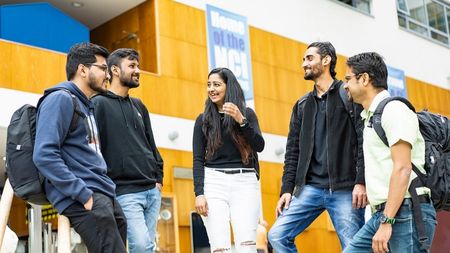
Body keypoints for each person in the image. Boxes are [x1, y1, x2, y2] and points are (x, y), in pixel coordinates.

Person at [268, 41, 366, 252]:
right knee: (276, 235)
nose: (304, 63)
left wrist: (361, 181)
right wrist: (286, 189)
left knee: (354, 248)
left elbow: (362, 141)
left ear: (326, 60)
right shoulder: (302, 105)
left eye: (309, 58)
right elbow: (292, 151)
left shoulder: (348, 96)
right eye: (304, 59)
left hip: (345, 188)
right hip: (309, 188)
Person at [33, 42, 127, 252]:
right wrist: (82, 194)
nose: (108, 75)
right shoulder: (60, 99)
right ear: (82, 70)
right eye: (103, 68)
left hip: (103, 193)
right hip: (85, 194)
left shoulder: (87, 106)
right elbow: (44, 155)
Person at [342, 52, 436, 253]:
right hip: (384, 213)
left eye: (348, 79)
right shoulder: (369, 117)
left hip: (406, 211)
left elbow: (403, 168)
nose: (345, 86)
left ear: (365, 79)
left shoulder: (394, 110)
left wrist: (387, 221)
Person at [92, 48, 164, 253]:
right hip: (124, 191)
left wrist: (158, 177)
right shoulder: (98, 104)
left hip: (152, 190)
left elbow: (151, 143)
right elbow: (95, 149)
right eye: (132, 66)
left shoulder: (139, 105)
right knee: (141, 245)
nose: (138, 70)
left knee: (147, 247)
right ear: (114, 70)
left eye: (138, 66)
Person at [193, 67, 265, 253]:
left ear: (228, 87)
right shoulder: (203, 120)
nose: (211, 89)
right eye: (209, 85)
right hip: (214, 182)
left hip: (245, 182)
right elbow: (198, 159)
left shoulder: (247, 115)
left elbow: (259, 145)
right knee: (219, 247)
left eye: (217, 84)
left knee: (246, 245)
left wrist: (241, 120)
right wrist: (199, 193)